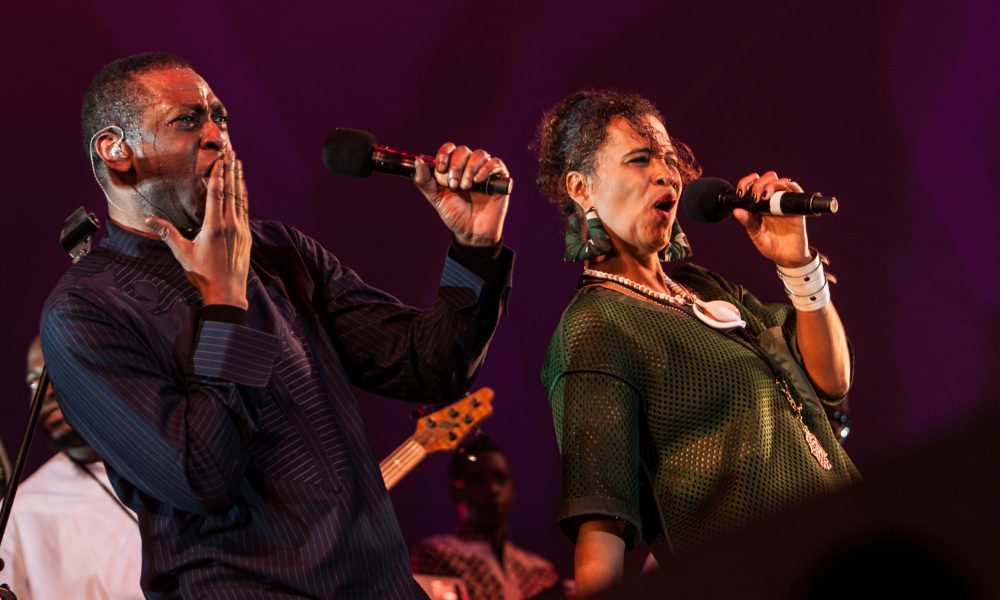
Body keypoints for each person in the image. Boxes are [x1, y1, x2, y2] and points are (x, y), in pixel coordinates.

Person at [40, 53, 513, 598]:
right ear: (116, 151)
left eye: (221, 116)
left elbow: (428, 366)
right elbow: (201, 474)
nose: (218, 134)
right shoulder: (86, 310)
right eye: (188, 120)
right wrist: (225, 300)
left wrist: (475, 250)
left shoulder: (279, 251)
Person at [534, 89, 860, 597]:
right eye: (639, 160)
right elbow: (602, 518)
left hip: (845, 546)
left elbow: (830, 381)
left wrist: (797, 264)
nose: (666, 174)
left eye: (668, 159)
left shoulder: (707, 289)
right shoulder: (598, 324)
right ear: (582, 188)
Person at [0, 337, 142, 599]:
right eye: (34, 382)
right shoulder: (19, 510)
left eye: (58, 371)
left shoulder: (165, 467)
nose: (44, 392)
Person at [411, 438, 569, 600]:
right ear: (456, 492)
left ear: (513, 487)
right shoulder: (436, 554)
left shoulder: (540, 571)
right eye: (478, 480)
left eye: (499, 478)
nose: (492, 489)